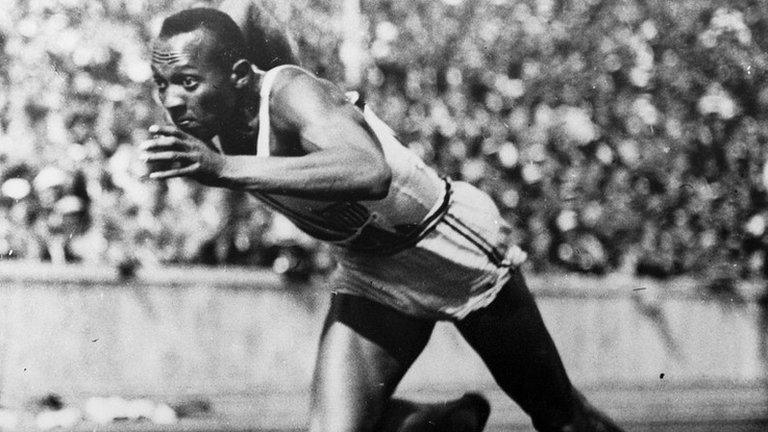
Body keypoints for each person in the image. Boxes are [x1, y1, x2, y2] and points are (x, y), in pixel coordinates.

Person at [141, 7, 625, 432]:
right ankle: (435, 424)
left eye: (188, 82)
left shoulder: (292, 95)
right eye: (162, 84)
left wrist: (224, 168)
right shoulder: (215, 116)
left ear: (241, 75)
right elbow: (240, 14)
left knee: (560, 420)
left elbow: (370, 172)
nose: (173, 101)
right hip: (372, 272)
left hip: (446, 245)